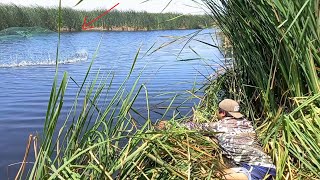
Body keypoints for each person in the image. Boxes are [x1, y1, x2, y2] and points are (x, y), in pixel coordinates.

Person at [157, 99, 276, 180]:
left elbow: (192, 127)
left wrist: (168, 125)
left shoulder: (219, 126)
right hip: (269, 167)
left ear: (222, 113)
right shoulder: (247, 124)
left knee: (214, 175)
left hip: (256, 171)